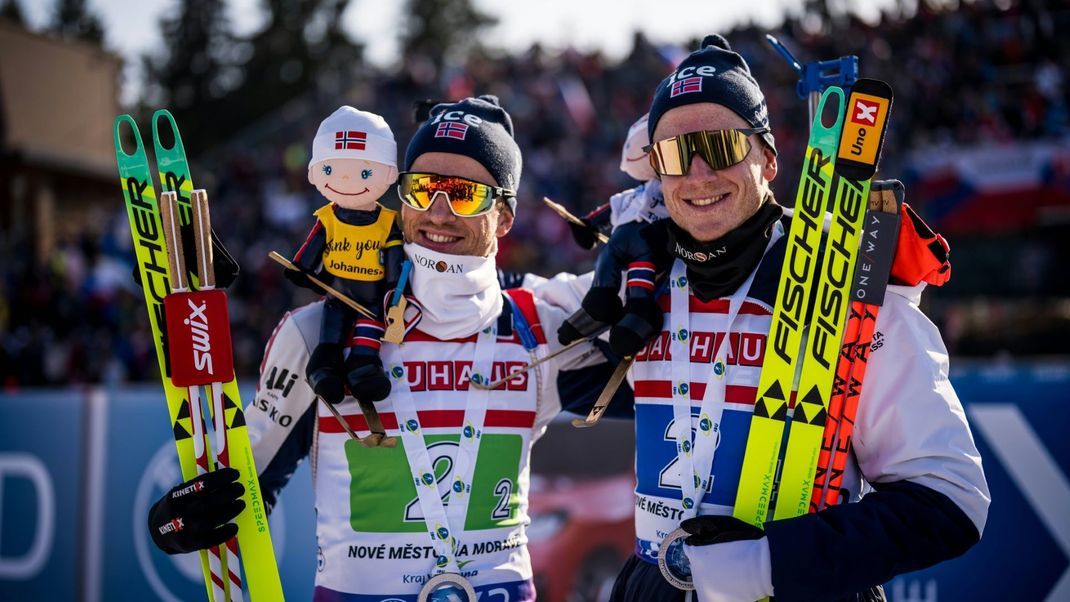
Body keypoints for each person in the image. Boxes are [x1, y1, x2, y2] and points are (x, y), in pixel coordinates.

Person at [146, 94, 629, 601]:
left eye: (464, 194)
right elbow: (242, 495)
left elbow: (676, 384)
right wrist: (178, 521)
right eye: (422, 191)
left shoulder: (539, 327)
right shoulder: (316, 335)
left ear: (504, 215)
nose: (439, 212)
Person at [594, 35, 990, 602]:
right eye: (677, 155)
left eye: (723, 146)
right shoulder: (642, 285)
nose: (700, 173)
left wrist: (768, 565)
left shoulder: (847, 289)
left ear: (770, 160)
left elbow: (951, 497)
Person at [286, 106, 404, 404]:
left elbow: (394, 260)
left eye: (365, 173)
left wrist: (394, 290)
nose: (348, 182)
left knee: (367, 341)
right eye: (330, 171)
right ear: (315, 173)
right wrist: (303, 269)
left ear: (388, 173)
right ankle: (324, 370)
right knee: (331, 338)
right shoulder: (328, 217)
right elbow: (312, 247)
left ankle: (363, 370)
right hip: (336, 293)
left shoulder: (386, 222)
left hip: (371, 299)